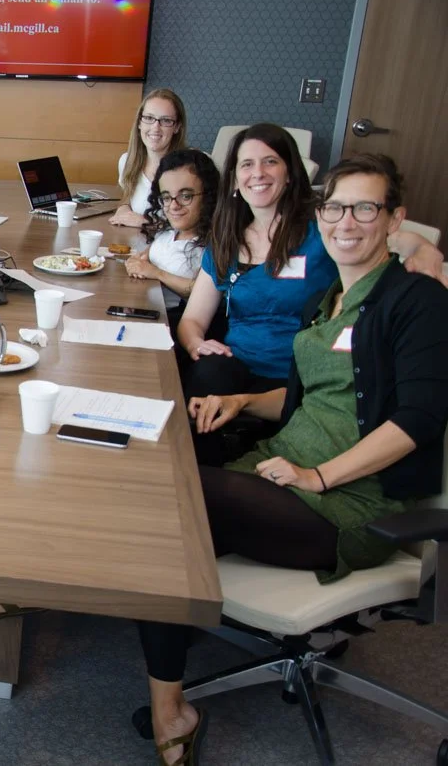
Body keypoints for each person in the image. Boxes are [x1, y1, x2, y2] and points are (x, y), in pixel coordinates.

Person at [138, 153, 448, 765]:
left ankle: (171, 710)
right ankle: (166, 679)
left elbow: (415, 421)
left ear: (395, 220)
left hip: (350, 505)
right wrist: (245, 398)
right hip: (277, 469)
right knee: (163, 496)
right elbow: (307, 399)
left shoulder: (416, 301)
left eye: (366, 208)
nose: (346, 223)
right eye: (335, 208)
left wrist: (318, 475)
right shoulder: (329, 299)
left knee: (166, 502)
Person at [178, 123, 443, 403]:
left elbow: (390, 235)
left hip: (304, 373)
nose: (258, 173)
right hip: (235, 366)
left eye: (270, 162)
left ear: (290, 173)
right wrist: (197, 343)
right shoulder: (227, 240)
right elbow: (193, 318)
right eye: (247, 164)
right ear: (234, 178)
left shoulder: (323, 227)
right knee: (203, 379)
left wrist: (425, 249)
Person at [124, 148, 219, 324]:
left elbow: (202, 292)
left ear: (208, 197)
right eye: (167, 197)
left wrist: (156, 273)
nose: (174, 206)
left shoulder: (212, 245)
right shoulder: (169, 233)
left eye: (185, 196)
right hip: (143, 308)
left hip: (173, 322)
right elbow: (145, 257)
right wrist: (136, 262)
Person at [110, 89, 188, 228]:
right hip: (137, 245)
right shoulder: (127, 161)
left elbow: (199, 225)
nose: (155, 127)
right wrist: (124, 209)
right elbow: (128, 199)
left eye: (165, 120)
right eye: (149, 118)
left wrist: (146, 222)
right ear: (140, 122)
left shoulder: (192, 167)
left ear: (177, 127)